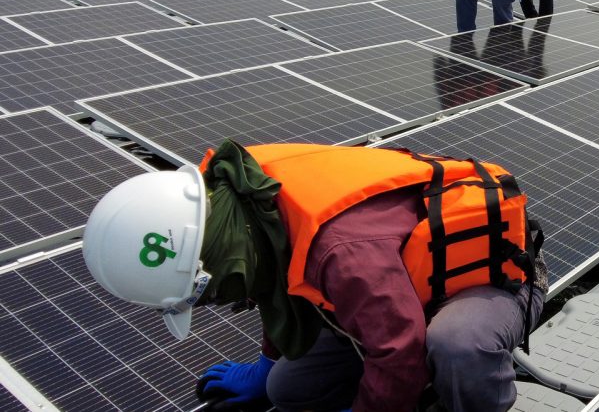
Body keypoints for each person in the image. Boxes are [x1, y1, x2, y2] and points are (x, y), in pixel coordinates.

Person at [81, 141, 547, 412]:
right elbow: (275, 283)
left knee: (456, 345)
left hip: (488, 281)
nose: (215, 303)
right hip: (393, 285)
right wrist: (266, 364)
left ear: (211, 259)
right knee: (287, 390)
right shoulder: (239, 203)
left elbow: (399, 347)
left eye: (205, 294)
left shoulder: (340, 251)